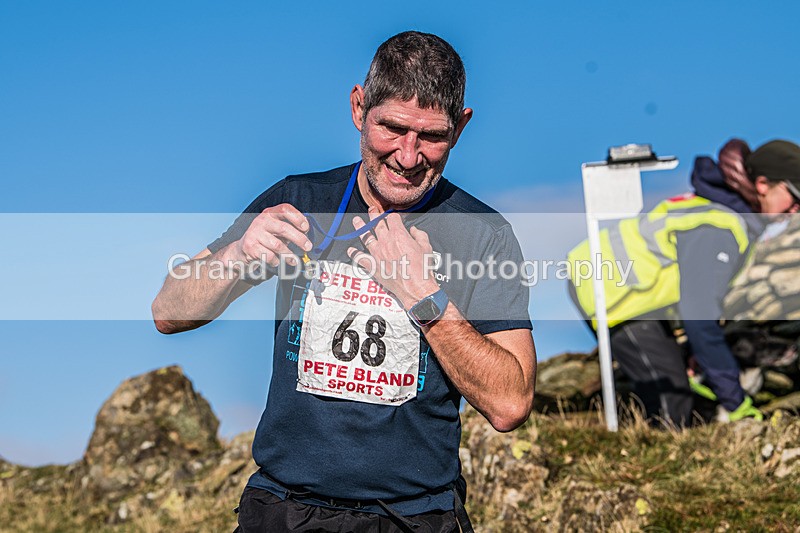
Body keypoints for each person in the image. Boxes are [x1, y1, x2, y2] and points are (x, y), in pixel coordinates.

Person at [152, 31, 536, 532]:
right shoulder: (297, 200)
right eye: (392, 128)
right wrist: (238, 253)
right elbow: (168, 311)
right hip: (285, 510)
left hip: (415, 517)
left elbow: (511, 403)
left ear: (461, 128)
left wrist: (428, 302)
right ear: (359, 108)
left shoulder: (483, 234)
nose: (408, 155)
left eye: (433, 137)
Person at [567, 139, 800, 428]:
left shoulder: (723, 215)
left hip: (635, 294)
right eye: (794, 196)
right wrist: (736, 401)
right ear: (764, 184)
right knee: (671, 402)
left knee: (676, 387)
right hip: (611, 290)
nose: (796, 209)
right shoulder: (719, 226)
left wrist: (693, 352)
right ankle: (647, 463)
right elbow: (700, 316)